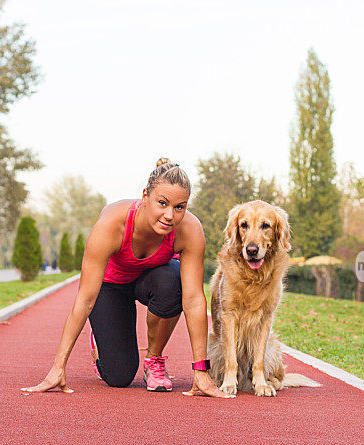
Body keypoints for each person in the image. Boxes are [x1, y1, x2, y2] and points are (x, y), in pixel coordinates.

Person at [22, 158, 232, 398]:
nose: (169, 215)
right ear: (145, 196)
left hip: (152, 280)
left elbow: (194, 299)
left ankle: (154, 360)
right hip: (111, 286)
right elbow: (85, 299)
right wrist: (58, 368)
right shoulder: (112, 225)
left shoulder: (189, 229)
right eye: (162, 203)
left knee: (173, 282)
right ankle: (101, 337)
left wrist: (201, 371)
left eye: (179, 207)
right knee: (119, 376)